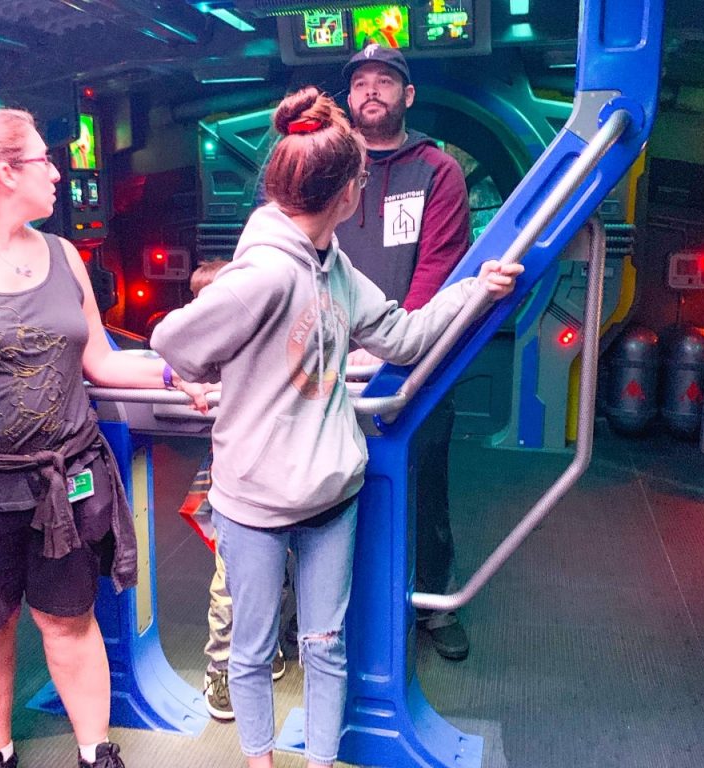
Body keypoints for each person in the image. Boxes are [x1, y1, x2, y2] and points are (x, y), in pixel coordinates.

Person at [151, 87, 521, 768]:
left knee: (326, 646)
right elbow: (172, 339)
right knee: (255, 649)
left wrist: (475, 291)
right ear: (347, 195)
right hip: (254, 503)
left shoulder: (336, 269)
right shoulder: (263, 272)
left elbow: (403, 337)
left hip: (329, 497)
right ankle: (259, 763)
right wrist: (197, 379)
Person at [0, 108, 208, 768]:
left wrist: (175, 372)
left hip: (63, 483)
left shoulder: (62, 256)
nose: (58, 173)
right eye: (45, 161)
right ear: (3, 174)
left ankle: (94, 750)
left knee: (70, 620)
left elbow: (103, 362)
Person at [336, 43, 473, 661]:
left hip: (414, 362)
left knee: (424, 482)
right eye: (360, 82)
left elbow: (438, 270)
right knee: (322, 488)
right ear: (348, 98)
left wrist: (394, 350)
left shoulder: (436, 171)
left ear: (407, 96)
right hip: (327, 362)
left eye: (385, 81)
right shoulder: (328, 166)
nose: (371, 90)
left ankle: (434, 606)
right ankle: (316, 607)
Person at [176, 259, 290, 722]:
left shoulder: (268, 348)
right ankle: (220, 665)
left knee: (277, 571)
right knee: (231, 581)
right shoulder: (201, 362)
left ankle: (266, 645)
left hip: (280, 480)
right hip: (233, 485)